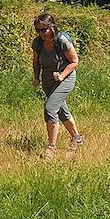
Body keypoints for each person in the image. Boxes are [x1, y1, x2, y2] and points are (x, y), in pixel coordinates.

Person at [32, 13, 84, 160]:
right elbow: (36, 61)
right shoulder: (37, 43)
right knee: (61, 110)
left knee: (50, 108)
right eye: (38, 30)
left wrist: (62, 75)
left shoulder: (61, 40)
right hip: (48, 80)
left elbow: (74, 61)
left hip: (65, 78)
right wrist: (36, 77)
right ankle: (77, 138)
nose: (40, 33)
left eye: (43, 30)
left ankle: (51, 147)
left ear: (52, 27)